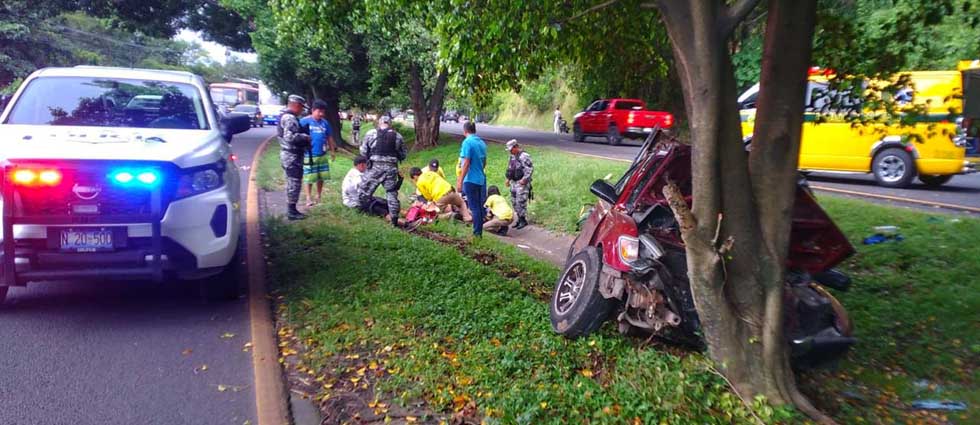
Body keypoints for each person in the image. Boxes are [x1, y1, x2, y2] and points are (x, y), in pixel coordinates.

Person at [358, 115, 407, 227]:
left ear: (379, 123)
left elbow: (363, 152)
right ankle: (394, 219)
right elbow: (403, 155)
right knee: (391, 193)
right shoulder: (398, 136)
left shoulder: (371, 133)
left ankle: (363, 212)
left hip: (375, 167)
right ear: (390, 124)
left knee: (364, 191)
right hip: (391, 169)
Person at [278, 94, 312, 220]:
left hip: (291, 155)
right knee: (294, 182)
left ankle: (292, 209)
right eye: (301, 107)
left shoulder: (286, 116)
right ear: (296, 105)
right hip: (291, 155)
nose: (302, 110)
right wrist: (306, 137)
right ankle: (291, 211)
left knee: (293, 181)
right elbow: (290, 137)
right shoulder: (289, 118)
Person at [300, 100, 337, 206]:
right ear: (312, 110)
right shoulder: (304, 122)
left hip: (322, 154)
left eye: (323, 112)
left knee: (321, 177)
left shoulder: (325, 123)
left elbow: (329, 137)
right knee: (309, 177)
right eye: (319, 111)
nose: (321, 114)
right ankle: (308, 198)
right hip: (309, 154)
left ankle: (319, 196)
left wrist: (332, 151)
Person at [456, 121, 487, 237]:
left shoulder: (467, 142)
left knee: (474, 207)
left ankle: (476, 233)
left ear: (465, 131)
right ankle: (478, 232)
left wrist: (460, 180)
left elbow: (466, 163)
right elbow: (484, 162)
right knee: (479, 207)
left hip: (470, 179)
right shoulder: (482, 143)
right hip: (481, 179)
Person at [505, 139, 533, 229]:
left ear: (516, 147)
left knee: (520, 201)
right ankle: (519, 218)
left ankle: (523, 219)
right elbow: (510, 168)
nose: (510, 151)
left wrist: (524, 180)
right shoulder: (512, 156)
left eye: (511, 149)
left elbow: (529, 169)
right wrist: (508, 179)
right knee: (514, 201)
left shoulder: (524, 156)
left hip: (521, 182)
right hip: (514, 182)